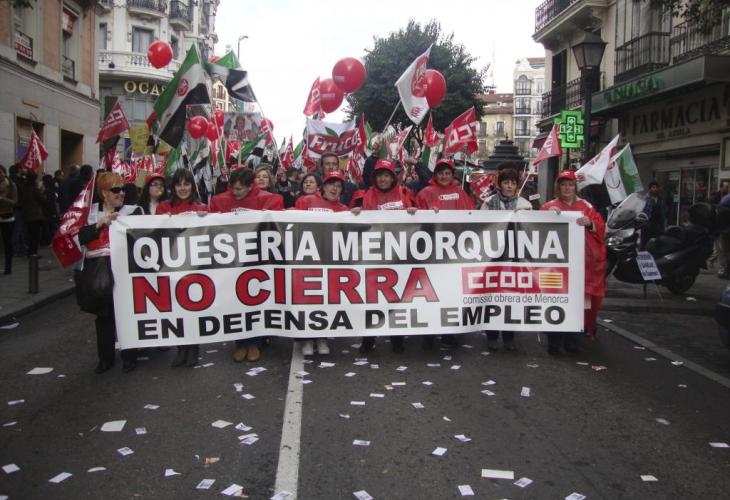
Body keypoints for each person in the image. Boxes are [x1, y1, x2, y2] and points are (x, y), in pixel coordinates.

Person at [210, 168, 284, 363]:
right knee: (235, 299)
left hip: (259, 258)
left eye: (240, 189)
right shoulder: (219, 200)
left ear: (251, 186)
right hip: (232, 259)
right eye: (233, 188)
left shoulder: (270, 199)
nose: (235, 193)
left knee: (257, 298)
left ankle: (255, 342)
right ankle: (241, 342)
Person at [77, 172, 142, 373]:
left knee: (126, 312)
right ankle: (105, 358)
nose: (121, 193)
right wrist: (100, 224)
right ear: (104, 193)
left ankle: (130, 356)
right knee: (104, 315)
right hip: (98, 272)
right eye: (116, 190)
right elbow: (79, 238)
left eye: (122, 189)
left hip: (125, 271)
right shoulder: (89, 213)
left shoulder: (134, 211)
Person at [352, 159, 417, 354]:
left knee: (396, 299)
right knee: (372, 299)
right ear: (375, 178)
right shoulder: (366, 195)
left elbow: (418, 218)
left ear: (392, 177)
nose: (383, 179)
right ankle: (368, 339)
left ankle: (397, 339)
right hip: (374, 255)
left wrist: (414, 211)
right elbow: (355, 223)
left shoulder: (405, 193)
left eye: (387, 175)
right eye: (380, 175)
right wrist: (355, 212)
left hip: (399, 255)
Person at [541, 170, 607, 355]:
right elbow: (536, 230)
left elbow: (600, 227)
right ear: (558, 187)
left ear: (575, 187)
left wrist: (590, 223)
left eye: (570, 185)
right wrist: (546, 216)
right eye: (563, 185)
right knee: (556, 301)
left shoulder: (586, 206)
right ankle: (554, 342)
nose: (567, 188)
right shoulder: (548, 206)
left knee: (580, 304)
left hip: (582, 267)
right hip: (556, 267)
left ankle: (573, 341)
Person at [415, 158, 475, 348]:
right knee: (430, 294)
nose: (444, 176)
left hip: (455, 254)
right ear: (435, 175)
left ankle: (449, 332)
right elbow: (415, 221)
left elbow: (472, 217)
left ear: (452, 175)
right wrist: (426, 214)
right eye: (440, 173)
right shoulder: (425, 193)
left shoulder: (460, 193)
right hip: (431, 254)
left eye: (447, 173)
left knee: (451, 295)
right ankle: (429, 333)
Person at [292, 170, 349, 356]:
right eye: (331, 184)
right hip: (306, 260)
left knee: (325, 299)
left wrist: (356, 215)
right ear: (323, 187)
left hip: (329, 261)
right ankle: (308, 338)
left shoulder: (344, 209)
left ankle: (322, 337)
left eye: (339, 186)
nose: (334, 188)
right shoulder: (306, 201)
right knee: (308, 299)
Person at [157, 169, 209, 367]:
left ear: (192, 186)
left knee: (193, 308)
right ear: (173, 187)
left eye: (186, 184)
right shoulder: (163, 207)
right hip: (171, 265)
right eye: (178, 184)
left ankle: (193, 348)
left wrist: (206, 218)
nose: (182, 188)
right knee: (176, 309)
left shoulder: (201, 207)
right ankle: (181, 349)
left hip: (194, 266)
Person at [480, 167, 532, 351]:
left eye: (513, 183)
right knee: (492, 296)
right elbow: (481, 226)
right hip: (493, 258)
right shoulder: (489, 203)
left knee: (511, 297)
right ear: (500, 184)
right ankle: (492, 335)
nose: (509, 186)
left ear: (517, 185)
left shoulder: (525, 205)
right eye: (506, 182)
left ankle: (509, 337)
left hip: (515, 258)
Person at [21, 171, 47, 257]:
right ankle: (33, 253)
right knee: (35, 235)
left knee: (30, 235)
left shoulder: (25, 188)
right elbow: (43, 200)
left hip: (27, 214)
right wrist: (42, 191)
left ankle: (30, 251)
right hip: (35, 215)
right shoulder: (35, 189)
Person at [0, 165, 18, 275]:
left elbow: (15, 202)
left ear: (4, 173)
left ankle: (8, 268)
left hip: (7, 217)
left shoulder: (11, 185)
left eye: (0, 173)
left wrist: (3, 199)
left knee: (7, 244)